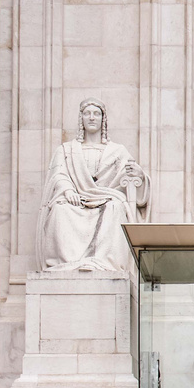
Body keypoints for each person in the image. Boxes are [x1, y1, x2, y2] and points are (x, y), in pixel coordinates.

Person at [41, 98, 147, 272]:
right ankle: (70, 263)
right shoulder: (66, 149)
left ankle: (104, 263)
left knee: (116, 207)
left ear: (102, 119)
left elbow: (133, 177)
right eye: (87, 113)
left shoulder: (117, 151)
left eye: (96, 114)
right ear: (81, 118)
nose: (91, 117)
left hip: (106, 199)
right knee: (60, 210)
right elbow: (58, 174)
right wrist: (67, 191)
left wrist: (138, 174)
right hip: (75, 201)